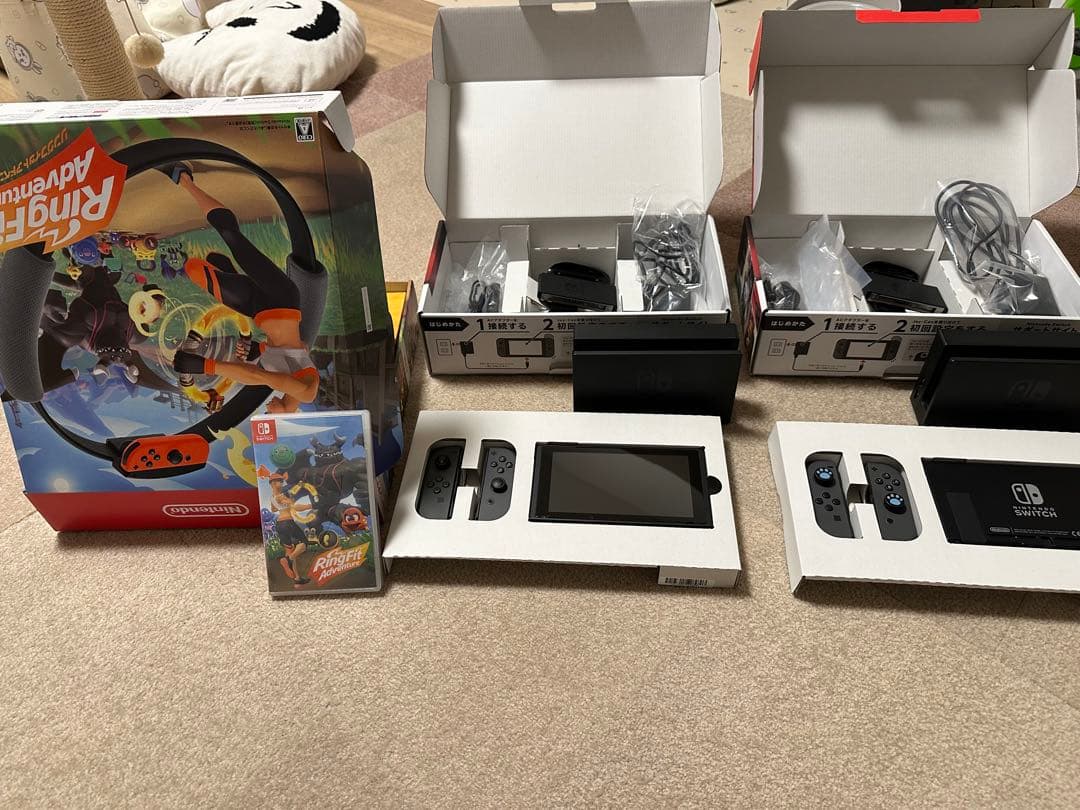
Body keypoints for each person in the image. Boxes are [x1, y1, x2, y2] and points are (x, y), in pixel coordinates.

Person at [165, 164, 319, 414]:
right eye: (271, 415)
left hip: (258, 308)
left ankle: (233, 275)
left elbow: (277, 358)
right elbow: (255, 375)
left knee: (194, 268)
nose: (267, 411)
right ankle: (185, 179)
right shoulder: (306, 392)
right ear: (289, 415)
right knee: (232, 236)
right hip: (282, 297)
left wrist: (257, 348)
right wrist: (205, 366)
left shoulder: (284, 380)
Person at [266, 472, 314, 586]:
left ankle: (297, 579)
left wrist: (282, 506)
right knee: (304, 543)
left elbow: (273, 509)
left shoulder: (272, 497)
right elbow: (296, 507)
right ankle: (288, 560)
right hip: (288, 523)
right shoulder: (281, 496)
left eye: (282, 481)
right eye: (280, 481)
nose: (282, 483)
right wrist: (311, 506)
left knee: (290, 551)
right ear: (273, 483)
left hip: (280, 525)